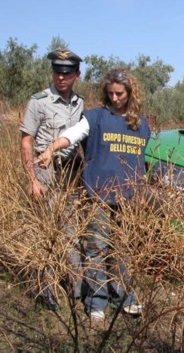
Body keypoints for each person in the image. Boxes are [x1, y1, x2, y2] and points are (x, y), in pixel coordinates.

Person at [35, 69, 150, 322]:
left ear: (130, 94)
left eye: (119, 93)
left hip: (128, 198)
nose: (114, 98)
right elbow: (72, 135)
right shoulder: (96, 117)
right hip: (97, 194)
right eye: (110, 93)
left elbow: (140, 161)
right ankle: (96, 300)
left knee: (123, 249)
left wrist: (141, 191)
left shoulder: (140, 124)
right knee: (96, 248)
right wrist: (51, 149)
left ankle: (124, 297)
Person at [19, 48, 84, 310]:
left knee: (72, 229)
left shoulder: (80, 103)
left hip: (70, 171)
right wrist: (32, 179)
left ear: (76, 75)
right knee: (47, 229)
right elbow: (26, 141)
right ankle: (46, 287)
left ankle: (75, 287)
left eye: (67, 73)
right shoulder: (39, 101)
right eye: (57, 71)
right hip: (45, 170)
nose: (61, 77)